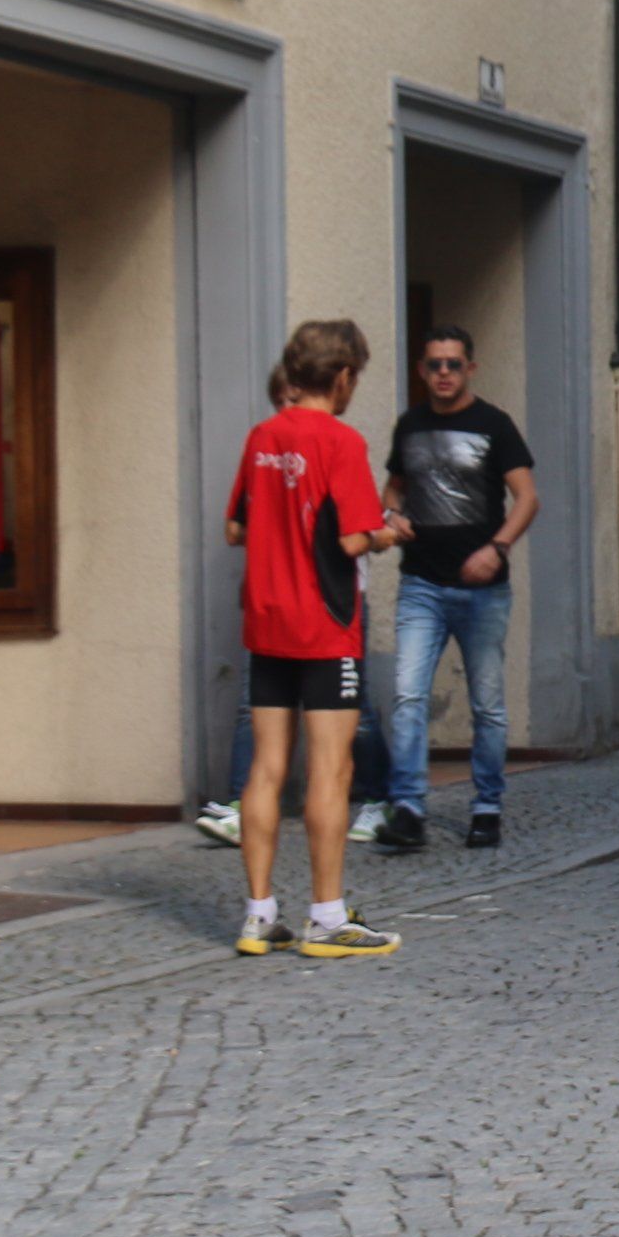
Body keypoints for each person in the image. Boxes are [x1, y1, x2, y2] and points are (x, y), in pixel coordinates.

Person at [227, 319, 417, 960]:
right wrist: (387, 534)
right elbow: (352, 538)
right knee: (331, 769)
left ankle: (259, 917)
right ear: (341, 377)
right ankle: (328, 918)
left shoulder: (262, 437)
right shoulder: (340, 440)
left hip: (266, 621)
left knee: (266, 767)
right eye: (354, 377)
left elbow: (235, 528)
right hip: (326, 625)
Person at [374, 327, 537, 853]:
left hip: (483, 591)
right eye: (434, 365)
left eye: (452, 364)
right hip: (421, 583)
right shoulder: (410, 425)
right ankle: (408, 809)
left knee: (486, 704)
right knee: (408, 695)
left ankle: (487, 806)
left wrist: (498, 548)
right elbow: (394, 488)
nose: (443, 373)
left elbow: (527, 498)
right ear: (422, 371)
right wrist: (391, 515)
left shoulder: (495, 424)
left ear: (470, 368)